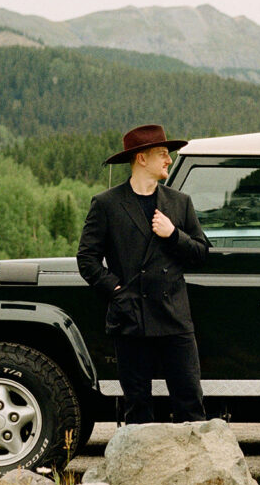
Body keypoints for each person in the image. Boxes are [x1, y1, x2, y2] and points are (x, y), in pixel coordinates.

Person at [77, 124, 210, 424]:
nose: (169, 160)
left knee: (190, 401)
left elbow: (202, 253)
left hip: (174, 317)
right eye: (163, 154)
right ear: (141, 158)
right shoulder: (107, 204)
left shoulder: (179, 203)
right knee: (137, 406)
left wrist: (174, 234)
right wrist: (117, 291)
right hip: (131, 316)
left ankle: (199, 469)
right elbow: (87, 259)